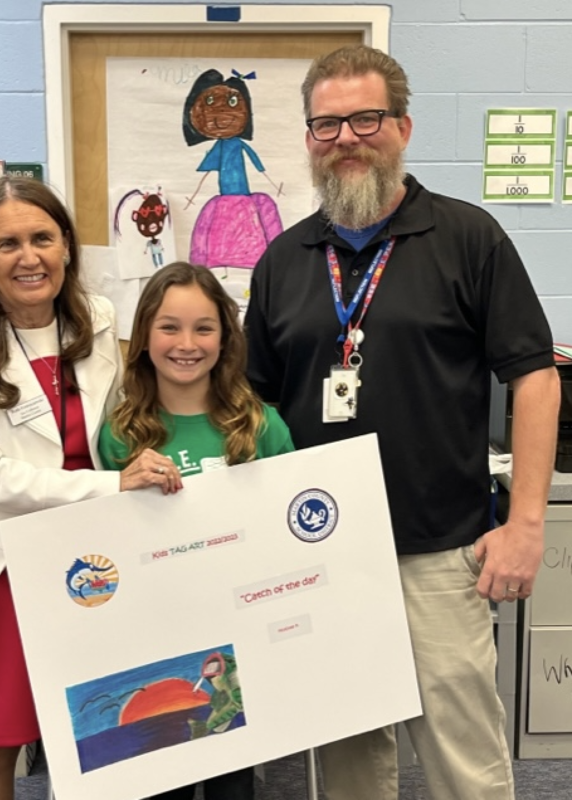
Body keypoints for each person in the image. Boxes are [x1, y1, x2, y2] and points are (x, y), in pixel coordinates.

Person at [244, 45, 560, 800]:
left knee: (464, 763)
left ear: (403, 127)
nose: (345, 139)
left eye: (365, 119)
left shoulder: (467, 238)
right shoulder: (283, 259)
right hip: (321, 552)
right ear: (309, 137)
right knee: (350, 762)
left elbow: (535, 378)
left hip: (439, 550)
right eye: (326, 124)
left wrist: (525, 525)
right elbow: (253, 404)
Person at [0, 176, 182, 800]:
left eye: (42, 238)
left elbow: (115, 422)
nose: (29, 257)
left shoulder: (97, 317)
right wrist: (113, 485)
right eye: (6, 244)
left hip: (86, 549)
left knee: (93, 719)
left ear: (66, 244)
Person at [98, 261, 294, 800]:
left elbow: (288, 534)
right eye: (170, 327)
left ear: (225, 339)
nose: (187, 344)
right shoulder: (119, 435)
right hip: (157, 635)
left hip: (241, 633)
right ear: (144, 337)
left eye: (203, 328)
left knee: (233, 777)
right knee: (165, 776)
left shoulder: (260, 427)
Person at [182, 69, 283, 269]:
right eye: (210, 102)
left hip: (256, 265)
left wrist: (267, 177)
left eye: (232, 102)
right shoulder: (213, 206)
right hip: (218, 268)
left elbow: (254, 159)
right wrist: (196, 191)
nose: (222, 114)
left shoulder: (261, 203)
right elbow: (209, 167)